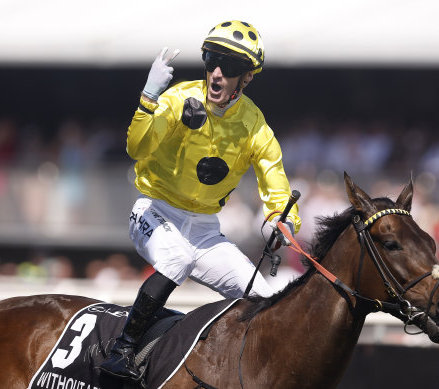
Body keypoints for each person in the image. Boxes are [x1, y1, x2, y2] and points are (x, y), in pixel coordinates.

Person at [100, 20, 301, 381]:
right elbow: (136, 148)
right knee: (176, 258)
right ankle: (122, 351)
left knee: (264, 297)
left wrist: (282, 218)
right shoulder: (179, 99)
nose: (218, 74)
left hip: (205, 230)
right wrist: (149, 99)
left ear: (248, 78)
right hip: (153, 209)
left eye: (231, 66)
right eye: (212, 60)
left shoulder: (256, 126)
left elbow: (275, 182)